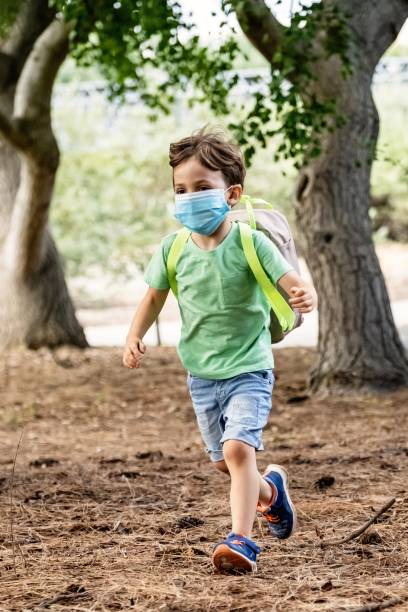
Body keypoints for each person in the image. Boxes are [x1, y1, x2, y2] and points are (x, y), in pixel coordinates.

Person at [122, 128, 318, 573]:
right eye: (181, 190)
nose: (189, 198)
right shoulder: (173, 249)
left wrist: (306, 297)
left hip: (249, 368)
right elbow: (153, 296)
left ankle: (242, 541)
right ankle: (271, 494)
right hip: (202, 374)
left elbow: (293, 285)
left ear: (231, 194)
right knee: (225, 464)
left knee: (236, 451)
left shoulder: (251, 242)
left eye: (202, 188)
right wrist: (134, 335)